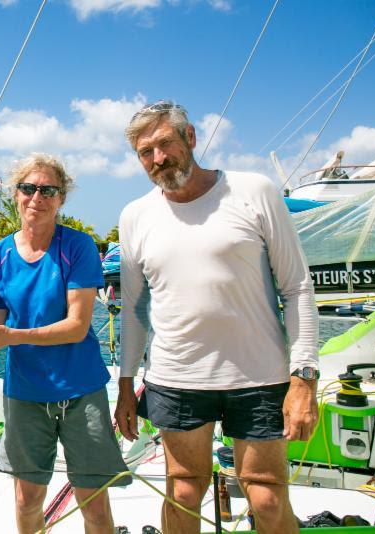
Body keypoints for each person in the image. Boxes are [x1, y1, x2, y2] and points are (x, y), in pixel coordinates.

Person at [115, 101, 319, 533]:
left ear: (190, 137)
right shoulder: (135, 215)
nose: (158, 159)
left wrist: (304, 378)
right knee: (184, 492)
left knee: (265, 497)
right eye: (145, 152)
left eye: (165, 144)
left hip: (259, 376)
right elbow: (134, 308)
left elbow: (297, 286)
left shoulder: (254, 190)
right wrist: (126, 384)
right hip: (177, 377)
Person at [0, 153, 130, 534]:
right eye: (28, 188)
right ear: (15, 194)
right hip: (25, 393)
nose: (37, 197)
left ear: (61, 199)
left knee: (93, 501)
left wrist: (11, 338)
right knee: (26, 500)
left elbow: (76, 325)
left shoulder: (77, 247)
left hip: (80, 390)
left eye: (48, 190)